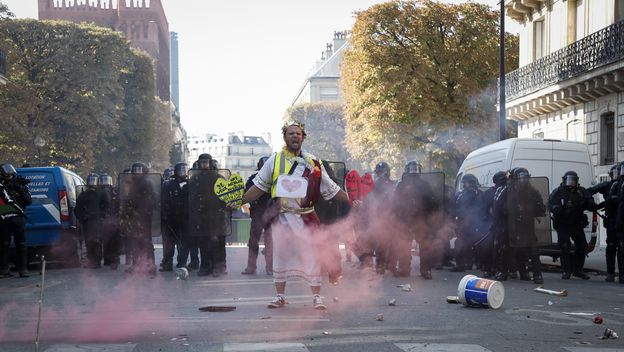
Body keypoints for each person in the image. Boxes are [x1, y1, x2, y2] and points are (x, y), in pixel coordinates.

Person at [239, 121, 355, 310]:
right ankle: (279, 296)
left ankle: (317, 297)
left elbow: (330, 188)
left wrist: (352, 199)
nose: (295, 136)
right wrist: (240, 200)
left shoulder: (313, 162)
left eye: (298, 134)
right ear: (285, 137)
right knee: (280, 256)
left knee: (312, 256)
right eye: (291, 133)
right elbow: (259, 187)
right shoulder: (274, 160)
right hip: (282, 217)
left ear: (303, 137)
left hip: (306, 217)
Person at [492, 168, 546, 284]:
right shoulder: (505, 191)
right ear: (514, 179)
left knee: (532, 250)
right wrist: (508, 213)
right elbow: (497, 208)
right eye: (521, 178)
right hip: (510, 225)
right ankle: (503, 271)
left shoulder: (532, 192)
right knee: (507, 249)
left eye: (525, 178)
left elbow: (541, 208)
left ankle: (535, 274)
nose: (523, 181)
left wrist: (531, 210)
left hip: (527, 225)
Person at [392, 161, 441, 279]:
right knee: (414, 246)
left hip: (417, 220)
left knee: (411, 245)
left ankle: (408, 270)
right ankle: (424, 271)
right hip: (412, 220)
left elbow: (432, 203)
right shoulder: (419, 184)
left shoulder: (406, 185)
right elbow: (395, 202)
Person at [549, 170, 601, 280]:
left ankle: (578, 270)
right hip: (562, 224)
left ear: (577, 181)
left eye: (573, 180)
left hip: (576, 223)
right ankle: (566, 271)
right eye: (569, 180)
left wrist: (591, 205)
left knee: (582, 246)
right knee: (564, 245)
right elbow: (549, 204)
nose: (571, 183)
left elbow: (590, 202)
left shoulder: (581, 192)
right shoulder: (558, 191)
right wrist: (555, 208)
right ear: (564, 180)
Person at [121, 162, 158, 276]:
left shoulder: (148, 183)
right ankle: (136, 264)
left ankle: (151, 267)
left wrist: (144, 212)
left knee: (146, 242)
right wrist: (126, 212)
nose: (137, 172)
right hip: (133, 217)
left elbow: (151, 200)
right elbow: (127, 199)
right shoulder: (131, 184)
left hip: (144, 217)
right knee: (134, 241)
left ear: (144, 171)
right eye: (135, 170)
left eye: (139, 170)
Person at [241, 156, 273, 275]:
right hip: (259, 214)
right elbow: (247, 194)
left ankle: (269, 267)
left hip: (270, 214)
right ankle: (252, 267)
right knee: (255, 241)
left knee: (269, 242)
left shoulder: (276, 179)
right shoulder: (253, 179)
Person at [0, 164, 32, 278]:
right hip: (4, 217)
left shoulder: (19, 184)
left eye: (10, 174)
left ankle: (23, 269)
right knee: (4, 243)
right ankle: (4, 270)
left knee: (21, 243)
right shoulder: (1, 186)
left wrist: (21, 189)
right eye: (7, 175)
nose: (9, 176)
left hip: (18, 217)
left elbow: (29, 201)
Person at [588, 164, 619, 282]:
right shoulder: (607, 185)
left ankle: (620, 275)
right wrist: (593, 205)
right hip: (612, 219)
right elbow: (589, 191)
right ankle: (610, 272)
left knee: (621, 247)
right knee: (611, 246)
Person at [474, 171, 507, 278]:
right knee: (488, 246)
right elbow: (483, 209)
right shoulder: (489, 193)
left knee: (501, 248)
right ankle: (487, 268)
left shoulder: (507, 191)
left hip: (503, 224)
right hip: (490, 223)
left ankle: (499, 269)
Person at [450, 173, 484, 272]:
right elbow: (454, 208)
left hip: (474, 223)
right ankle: (461, 263)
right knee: (460, 242)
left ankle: (470, 263)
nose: (465, 185)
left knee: (473, 243)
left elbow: (481, 208)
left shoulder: (478, 194)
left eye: (467, 183)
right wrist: (454, 220)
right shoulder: (460, 195)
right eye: (464, 183)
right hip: (461, 222)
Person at [160, 163, 189, 272]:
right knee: (169, 243)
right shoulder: (168, 184)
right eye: (181, 170)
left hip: (185, 219)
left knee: (184, 243)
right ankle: (167, 263)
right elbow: (163, 201)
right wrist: (164, 216)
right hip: (171, 219)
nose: (183, 172)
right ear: (176, 171)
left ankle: (182, 264)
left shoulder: (190, 184)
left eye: (185, 170)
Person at [75, 173, 107, 268]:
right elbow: (78, 209)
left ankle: (95, 261)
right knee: (92, 241)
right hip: (89, 222)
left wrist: (103, 217)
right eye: (91, 180)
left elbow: (107, 207)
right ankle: (93, 261)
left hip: (95, 222)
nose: (92, 183)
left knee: (95, 241)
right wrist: (82, 218)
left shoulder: (101, 194)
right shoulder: (84, 195)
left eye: (93, 180)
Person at [99, 173, 119, 270]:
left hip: (112, 219)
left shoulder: (114, 192)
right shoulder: (112, 192)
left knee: (111, 241)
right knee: (110, 241)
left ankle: (112, 260)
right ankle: (111, 260)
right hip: (108, 220)